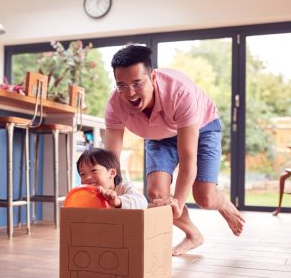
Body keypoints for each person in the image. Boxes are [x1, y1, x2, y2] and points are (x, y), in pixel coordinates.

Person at [103, 44, 245, 255]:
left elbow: (188, 160)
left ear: (152, 78)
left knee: (204, 198)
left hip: (202, 127)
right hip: (159, 136)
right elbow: (110, 160)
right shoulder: (115, 104)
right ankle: (193, 234)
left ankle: (222, 202)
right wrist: (108, 190)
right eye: (121, 85)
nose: (130, 93)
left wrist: (178, 201)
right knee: (157, 194)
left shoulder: (180, 93)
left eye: (137, 83)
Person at [77, 147, 148, 209]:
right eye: (83, 174)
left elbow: (142, 202)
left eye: (94, 171)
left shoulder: (123, 188)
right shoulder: (85, 195)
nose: (87, 178)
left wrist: (118, 201)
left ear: (112, 173)